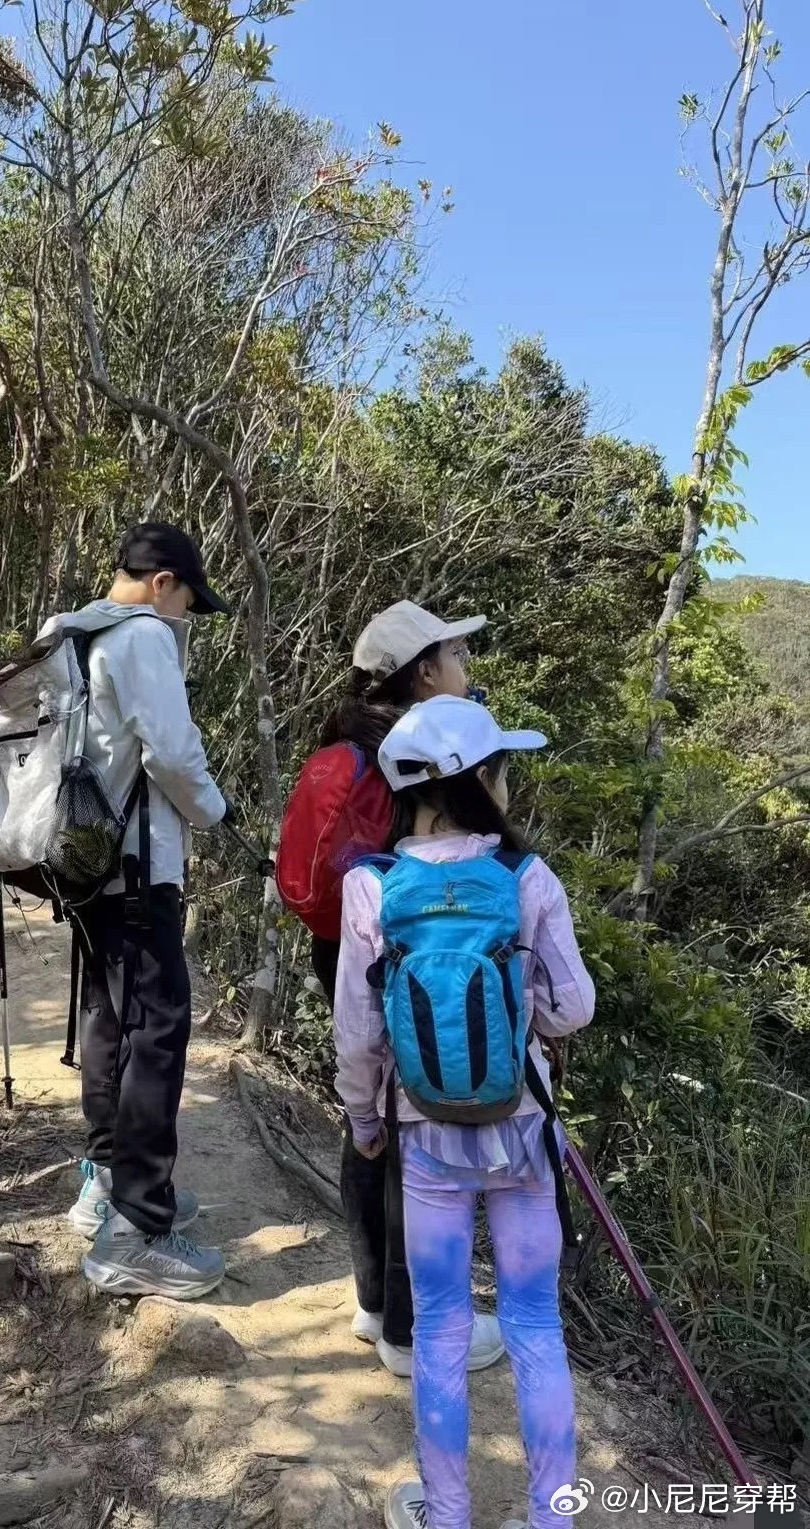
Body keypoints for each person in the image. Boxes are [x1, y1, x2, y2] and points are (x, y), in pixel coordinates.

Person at [333, 696, 595, 1529]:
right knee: (534, 1322)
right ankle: (552, 1515)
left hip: (425, 1139)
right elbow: (574, 1005)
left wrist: (365, 1125)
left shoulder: (372, 887)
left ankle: (445, 1513)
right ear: (479, 779)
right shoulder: (526, 877)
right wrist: (526, 1014)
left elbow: (358, 1034)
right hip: (522, 1130)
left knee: (442, 1327)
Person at [276, 601, 505, 1376]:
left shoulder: (348, 739)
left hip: (343, 939)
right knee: (417, 1122)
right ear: (424, 673)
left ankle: (375, 1301)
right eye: (456, 656)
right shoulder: (420, 746)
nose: (466, 669)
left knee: (368, 1115)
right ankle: (414, 1330)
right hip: (414, 952)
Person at [59, 522, 231, 1300]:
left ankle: (108, 1184)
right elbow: (171, 751)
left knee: (110, 1015)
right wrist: (215, 811)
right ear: (163, 583)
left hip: (85, 861)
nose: (187, 615)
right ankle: (136, 1228)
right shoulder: (143, 637)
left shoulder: (75, 631)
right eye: (189, 600)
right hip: (137, 865)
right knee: (158, 1026)